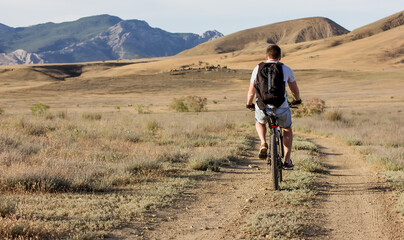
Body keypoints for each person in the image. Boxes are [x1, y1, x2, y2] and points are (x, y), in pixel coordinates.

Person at [246, 44, 301, 169]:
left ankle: (263, 143)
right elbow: (295, 90)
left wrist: (249, 104)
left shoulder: (257, 68)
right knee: (287, 129)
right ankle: (287, 161)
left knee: (259, 122)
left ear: (266, 56)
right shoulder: (285, 69)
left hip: (262, 106)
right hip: (281, 106)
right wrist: (297, 100)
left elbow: (251, 91)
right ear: (279, 57)